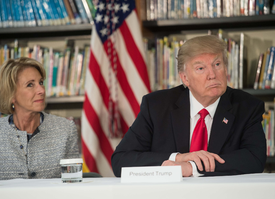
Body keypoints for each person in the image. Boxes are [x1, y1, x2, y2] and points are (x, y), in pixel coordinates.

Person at [111, 35, 266, 177]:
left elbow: (254, 159)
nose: (212, 74)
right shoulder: (156, 106)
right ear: (185, 78)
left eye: (217, 64)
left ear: (226, 68)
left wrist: (192, 167)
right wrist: (178, 158)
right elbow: (121, 160)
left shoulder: (247, 107)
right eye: (200, 68)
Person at [0, 57, 79, 180]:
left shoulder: (66, 129)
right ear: (11, 94)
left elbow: (73, 184)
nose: (41, 90)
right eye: (30, 85)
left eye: (41, 82)